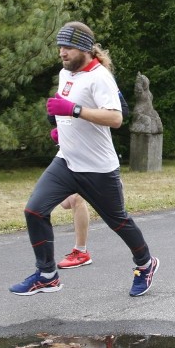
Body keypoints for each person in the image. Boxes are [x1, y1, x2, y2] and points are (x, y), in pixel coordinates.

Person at [10, 22, 159, 297]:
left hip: (98, 168)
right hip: (66, 161)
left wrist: (73, 110)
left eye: (66, 47)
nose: (61, 53)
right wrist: (60, 128)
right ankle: (47, 275)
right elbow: (65, 109)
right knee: (34, 211)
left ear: (84, 48)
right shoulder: (65, 73)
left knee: (119, 222)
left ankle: (145, 264)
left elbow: (115, 118)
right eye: (59, 48)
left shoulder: (100, 77)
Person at [51, 91, 130, 269]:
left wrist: (81, 112)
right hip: (71, 148)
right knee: (66, 202)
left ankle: (81, 251)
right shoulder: (67, 76)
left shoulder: (101, 77)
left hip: (93, 149)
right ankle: (111, 185)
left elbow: (122, 112)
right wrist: (58, 125)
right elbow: (56, 113)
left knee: (77, 199)